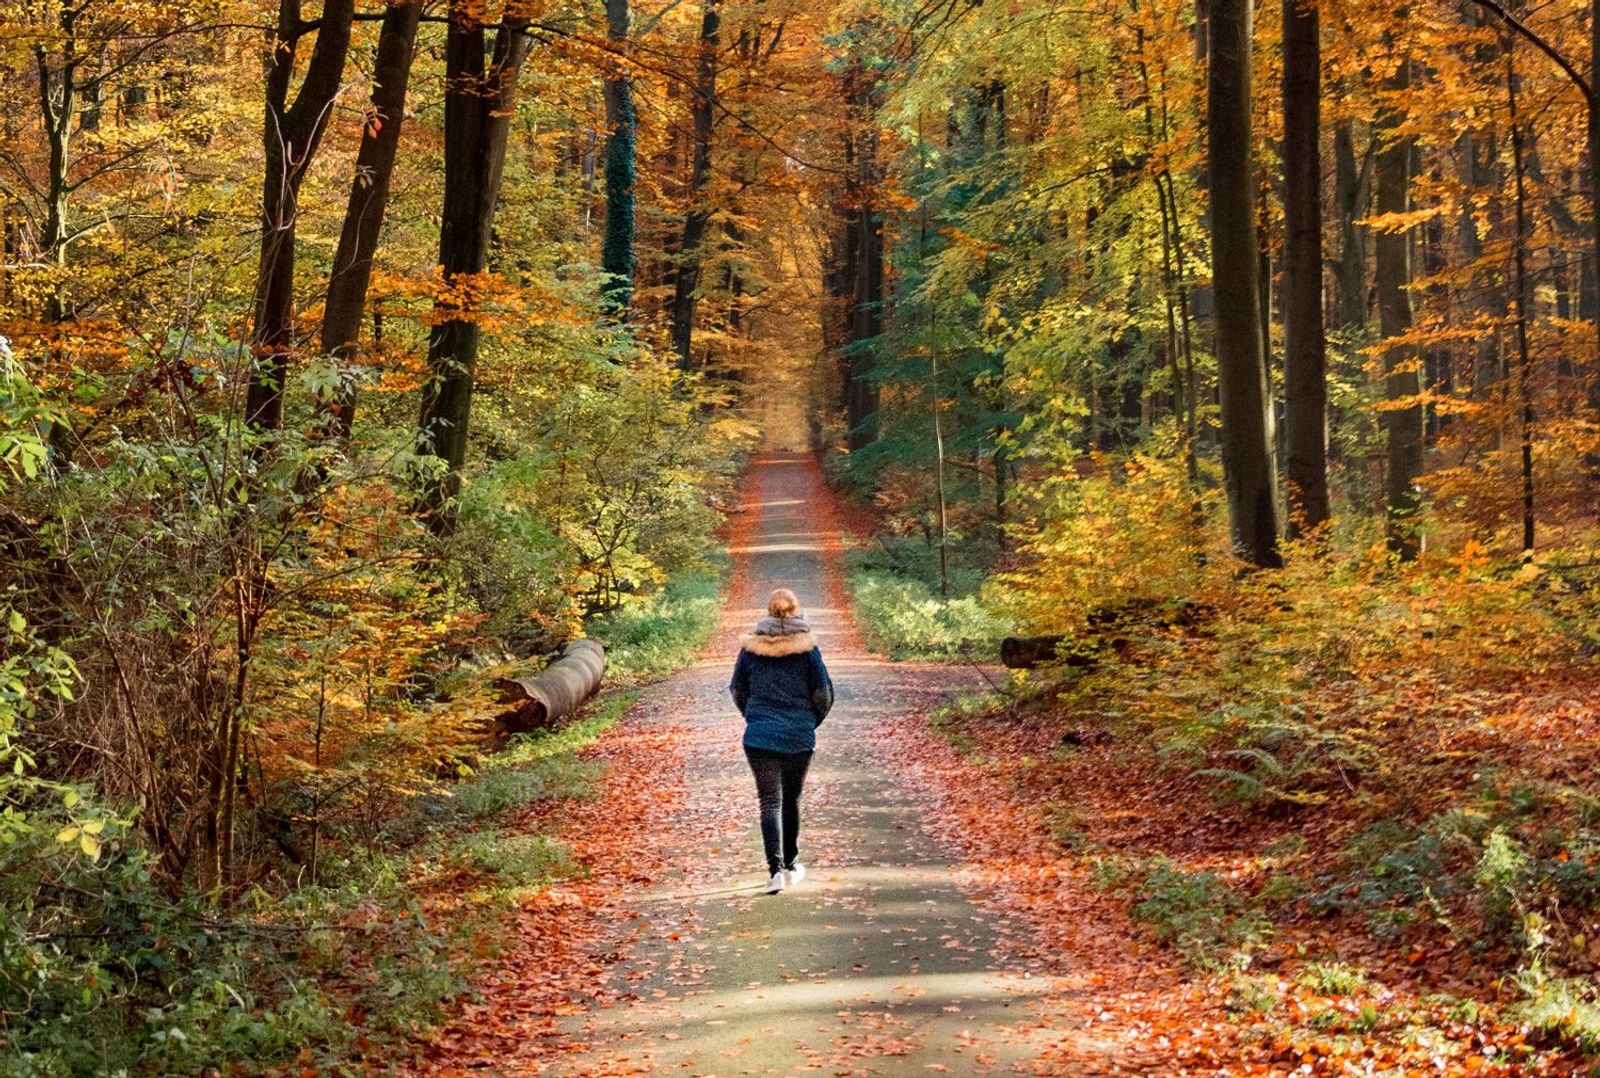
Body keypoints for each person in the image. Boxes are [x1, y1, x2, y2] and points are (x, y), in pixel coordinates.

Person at [729, 588, 834, 894]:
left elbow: (737, 689)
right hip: (799, 736)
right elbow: (823, 694)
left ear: (768, 611)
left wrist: (754, 718)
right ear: (796, 611)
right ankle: (790, 865)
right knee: (791, 799)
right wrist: (810, 722)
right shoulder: (809, 650)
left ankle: (774, 871)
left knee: (769, 803)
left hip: (760, 736)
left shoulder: (751, 649)